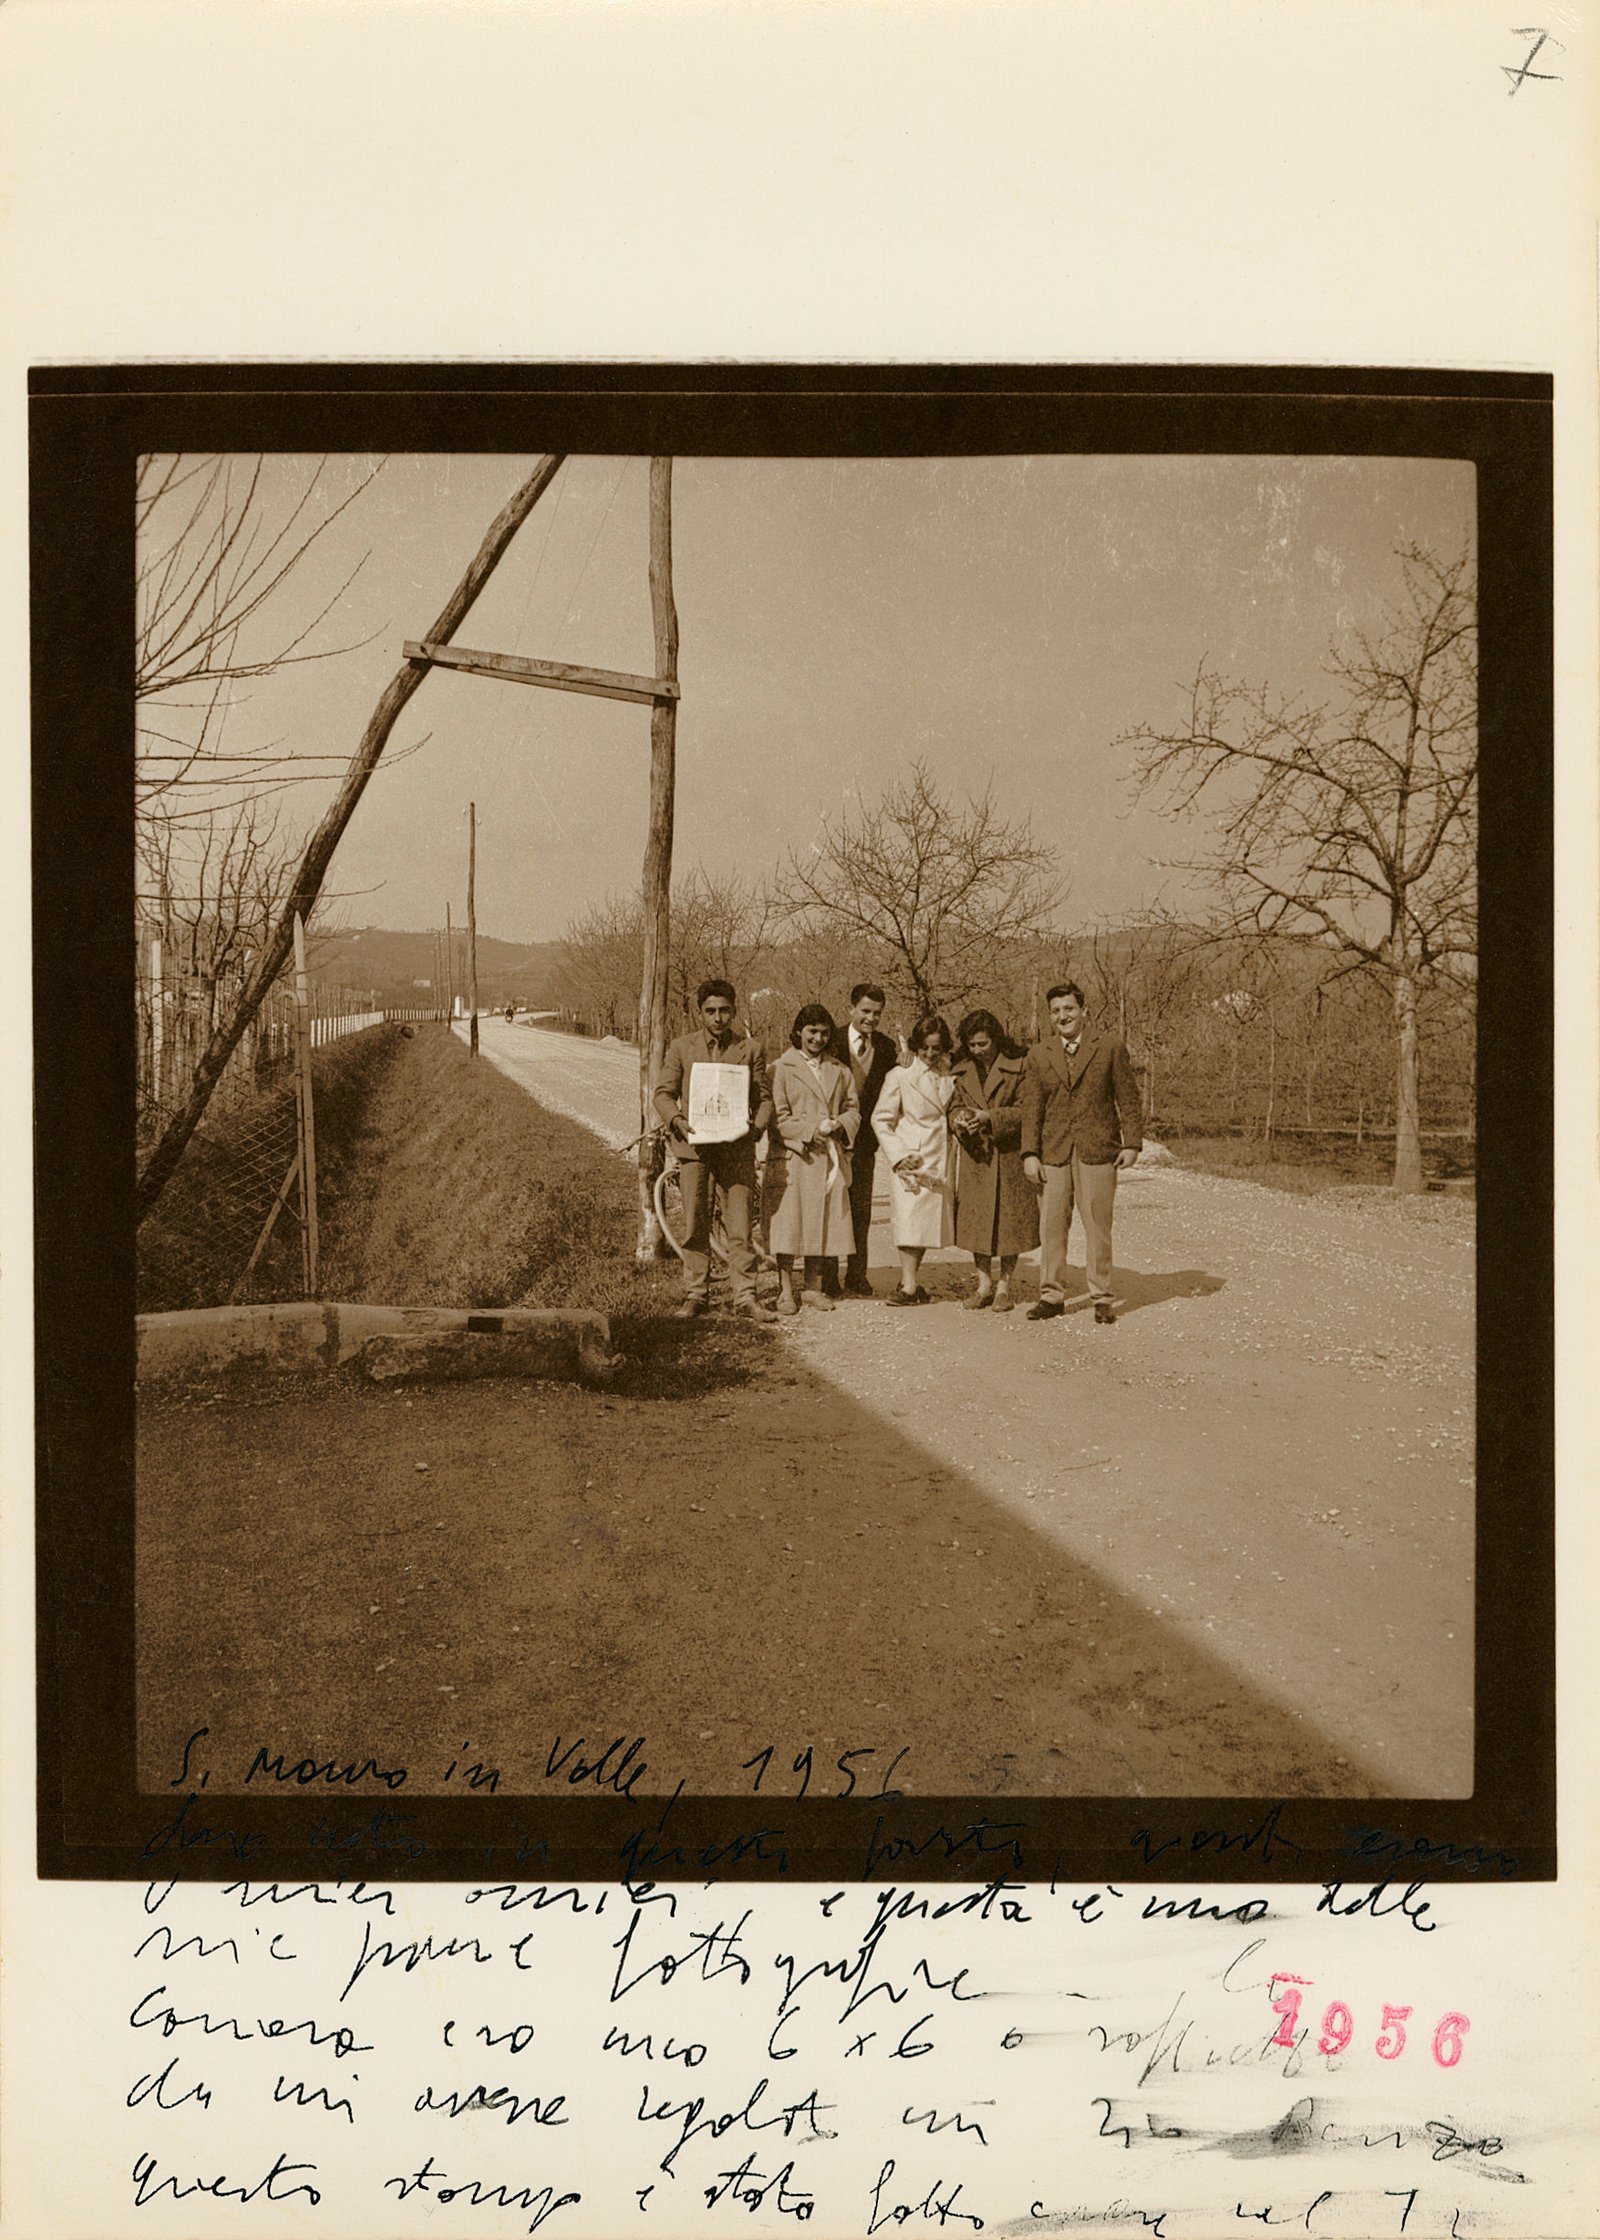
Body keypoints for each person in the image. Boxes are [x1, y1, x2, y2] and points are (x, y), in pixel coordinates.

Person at [1019, 981, 1143, 1325]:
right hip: (1053, 1151)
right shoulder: (1039, 1054)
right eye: (1056, 1011)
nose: (1063, 1016)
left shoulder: (1109, 1047)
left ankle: (1101, 1296)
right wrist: (1030, 1153)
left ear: (1084, 1011)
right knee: (1052, 1226)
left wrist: (1132, 1143)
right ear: (1050, 1016)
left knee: (1098, 1226)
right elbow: (1031, 1108)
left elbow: (1128, 1098)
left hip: (1098, 1150)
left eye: (1069, 1009)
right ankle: (1051, 1296)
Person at [652, 978, 776, 1322]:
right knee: (695, 1222)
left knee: (740, 1226)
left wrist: (755, 1129)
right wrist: (677, 1120)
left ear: (734, 1011)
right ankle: (696, 1294)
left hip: (736, 1150)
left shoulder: (750, 1049)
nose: (718, 1018)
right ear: (700, 1013)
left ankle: (745, 1295)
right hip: (696, 1149)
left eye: (724, 1010)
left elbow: (764, 1100)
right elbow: (663, 1093)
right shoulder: (681, 1048)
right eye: (710, 1011)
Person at [766, 1003, 859, 1315]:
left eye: (823, 1032)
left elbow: (852, 1109)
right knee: (788, 1225)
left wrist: (840, 1125)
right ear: (798, 1032)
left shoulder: (839, 1069)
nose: (818, 1038)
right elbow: (777, 1118)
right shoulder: (780, 1068)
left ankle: (813, 1287)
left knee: (822, 1221)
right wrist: (809, 1132)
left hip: (827, 1157)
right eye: (811, 1032)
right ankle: (785, 1290)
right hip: (795, 1156)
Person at [951, 1008, 1038, 1312]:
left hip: (1008, 1155)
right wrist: (960, 1120)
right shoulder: (961, 1069)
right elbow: (953, 1106)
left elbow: (1028, 1110)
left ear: (996, 1039)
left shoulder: (1019, 1066)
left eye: (983, 1044)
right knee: (978, 1223)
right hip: (977, 1155)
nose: (977, 1051)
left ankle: (1004, 1287)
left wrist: (990, 1117)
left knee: (1009, 1223)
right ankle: (984, 1284)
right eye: (972, 1045)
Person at [871, 1013, 957, 1305]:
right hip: (912, 1158)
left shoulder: (950, 1073)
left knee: (924, 1224)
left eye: (937, 1047)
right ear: (916, 1046)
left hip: (940, 1157)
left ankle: (911, 1281)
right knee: (909, 1220)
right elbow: (881, 1119)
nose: (930, 1054)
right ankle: (908, 1286)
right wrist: (897, 1156)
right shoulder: (900, 1075)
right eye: (925, 1048)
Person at [833, 982, 896, 1297]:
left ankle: (857, 1275)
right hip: (831, 1140)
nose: (871, 1018)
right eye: (865, 1011)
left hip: (865, 1144)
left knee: (861, 1210)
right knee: (832, 1207)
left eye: (877, 1013)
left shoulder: (886, 1047)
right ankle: (828, 1276)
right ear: (852, 1009)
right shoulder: (830, 1038)